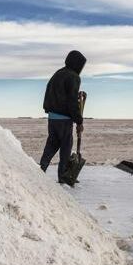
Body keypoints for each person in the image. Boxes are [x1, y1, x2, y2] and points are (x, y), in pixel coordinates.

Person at [39, 50, 86, 183]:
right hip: (64, 119)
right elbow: (71, 101)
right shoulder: (74, 77)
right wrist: (79, 121)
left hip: (52, 117)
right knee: (66, 147)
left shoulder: (58, 73)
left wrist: (48, 110)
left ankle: (41, 169)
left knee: (52, 144)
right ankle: (63, 177)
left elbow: (49, 92)